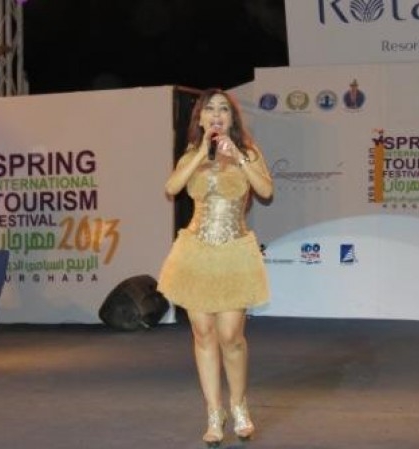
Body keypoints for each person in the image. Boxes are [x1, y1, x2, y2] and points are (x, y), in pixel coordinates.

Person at [158, 88, 273, 447]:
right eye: (210, 109)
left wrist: (238, 157)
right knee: (203, 334)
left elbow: (265, 191)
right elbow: (172, 187)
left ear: (232, 117)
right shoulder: (191, 154)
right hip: (195, 253)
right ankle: (214, 412)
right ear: (201, 118)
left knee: (231, 337)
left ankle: (239, 405)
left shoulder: (248, 152)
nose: (217, 114)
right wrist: (199, 154)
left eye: (224, 109)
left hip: (234, 253)